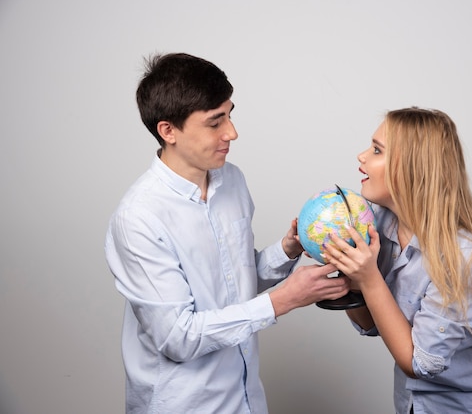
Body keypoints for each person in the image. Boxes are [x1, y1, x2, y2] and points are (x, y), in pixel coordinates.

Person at [104, 52, 349, 414]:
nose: (231, 132)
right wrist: (285, 299)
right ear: (168, 130)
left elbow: (233, 282)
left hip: (245, 398)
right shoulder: (139, 218)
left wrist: (288, 250)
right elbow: (179, 337)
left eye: (230, 115)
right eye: (215, 122)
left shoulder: (231, 180)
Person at [322, 107, 472, 413]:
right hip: (415, 406)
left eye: (377, 150)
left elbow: (420, 363)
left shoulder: (463, 256)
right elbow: (371, 324)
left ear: (412, 168)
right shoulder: (377, 225)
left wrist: (368, 277)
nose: (362, 156)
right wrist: (351, 282)